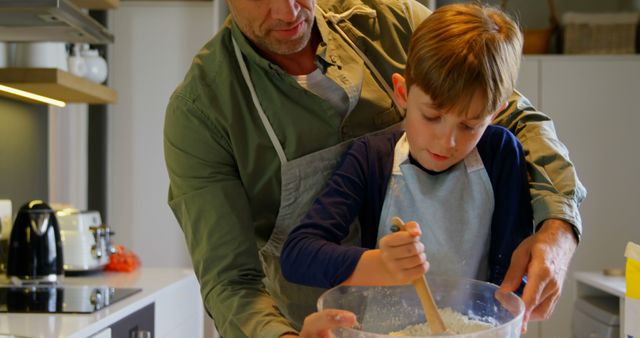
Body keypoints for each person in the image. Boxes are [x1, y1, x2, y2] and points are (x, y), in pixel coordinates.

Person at [163, 0, 586, 337]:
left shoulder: (394, 21)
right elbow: (231, 283)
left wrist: (558, 230)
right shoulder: (203, 111)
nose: (287, 11)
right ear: (404, 95)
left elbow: (518, 117)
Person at [281, 1, 531, 295]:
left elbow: (512, 270)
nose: (446, 141)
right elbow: (297, 255)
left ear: (495, 114)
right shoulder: (371, 158)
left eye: (469, 126)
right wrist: (377, 264)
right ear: (402, 94)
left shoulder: (500, 154)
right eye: (432, 116)